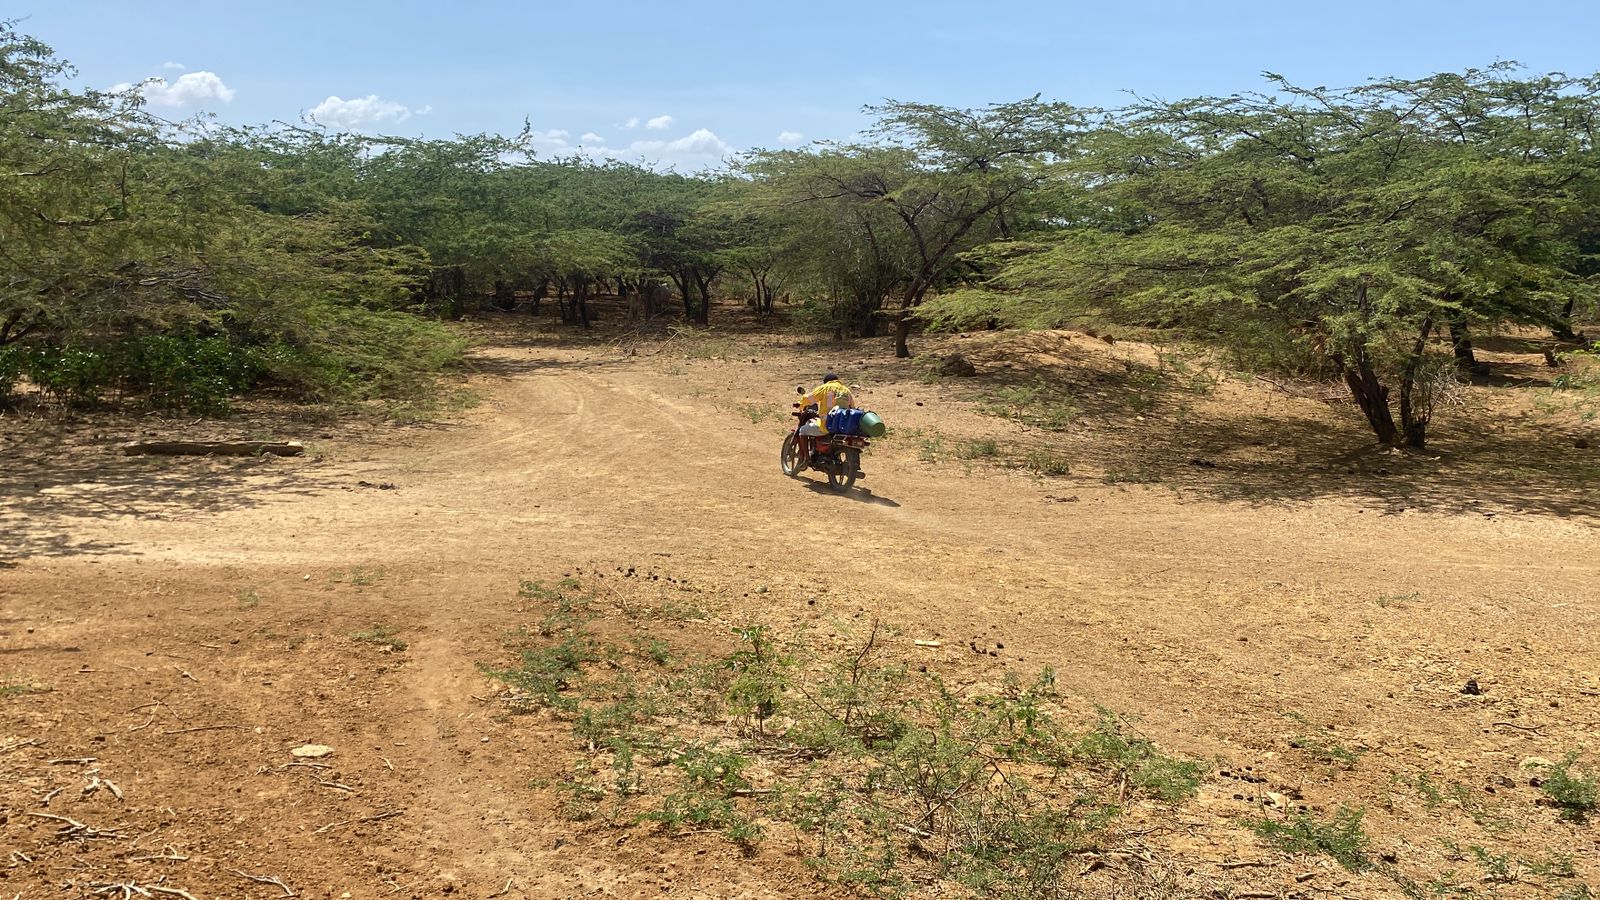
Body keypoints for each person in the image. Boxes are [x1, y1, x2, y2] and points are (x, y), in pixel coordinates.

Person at [796, 371, 854, 438]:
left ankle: (803, 449)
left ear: (826, 381)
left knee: (803, 430)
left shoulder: (825, 388)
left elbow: (810, 399)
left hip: (827, 426)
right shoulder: (846, 390)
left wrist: (800, 404)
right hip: (843, 426)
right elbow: (852, 408)